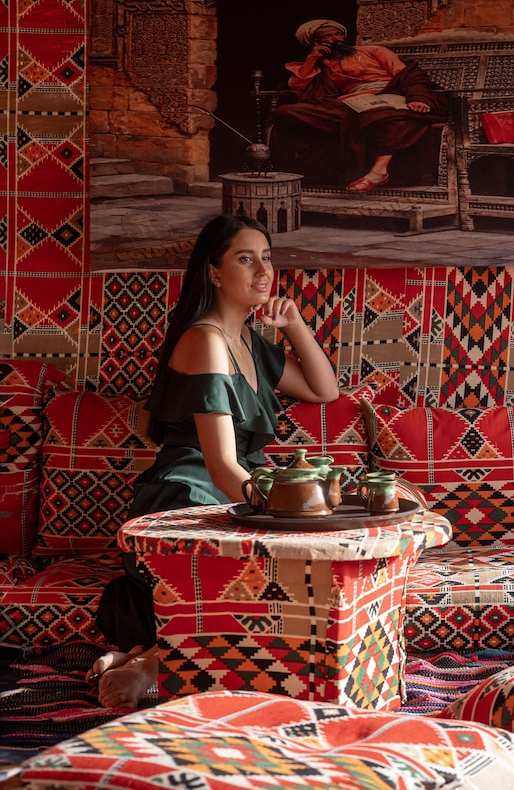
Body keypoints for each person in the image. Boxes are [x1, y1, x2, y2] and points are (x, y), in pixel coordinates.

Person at [86, 214, 339, 710]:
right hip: (189, 495)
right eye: (245, 259)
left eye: (267, 258)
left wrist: (295, 324)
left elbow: (324, 389)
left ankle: (143, 657)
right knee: (274, 577)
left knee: (296, 581)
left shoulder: (249, 343)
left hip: (234, 494)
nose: (263, 271)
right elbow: (221, 465)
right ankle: (152, 666)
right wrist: (282, 521)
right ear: (214, 272)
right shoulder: (206, 340)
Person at [269, 19, 445, 191]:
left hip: (389, 94)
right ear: (316, 42)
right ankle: (360, 122)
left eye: (338, 34)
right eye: (327, 36)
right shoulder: (323, 64)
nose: (335, 39)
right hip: (349, 104)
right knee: (286, 111)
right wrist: (312, 58)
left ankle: (378, 172)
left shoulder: (373, 50)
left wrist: (418, 98)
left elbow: (407, 75)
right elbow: (298, 85)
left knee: (378, 118)